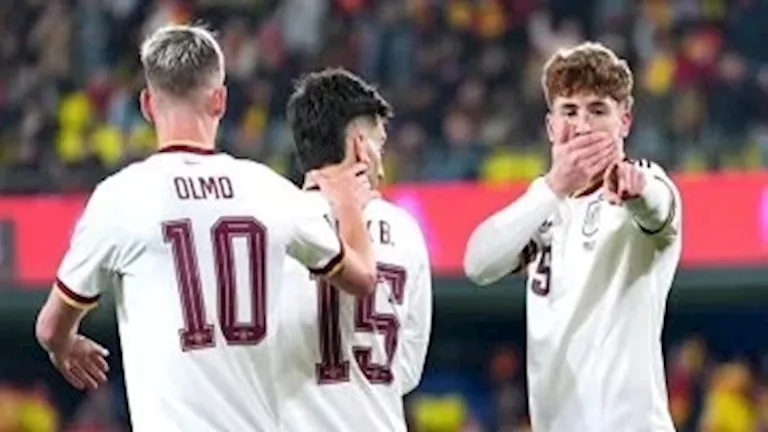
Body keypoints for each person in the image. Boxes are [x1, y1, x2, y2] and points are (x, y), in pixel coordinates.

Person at [34, 25, 377, 432]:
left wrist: (65, 345)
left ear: (147, 105)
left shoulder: (120, 197)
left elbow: (50, 327)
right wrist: (349, 206)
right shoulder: (270, 189)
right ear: (220, 100)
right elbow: (361, 278)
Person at [463, 42, 681, 431]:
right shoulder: (544, 205)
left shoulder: (642, 183)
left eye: (598, 110)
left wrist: (636, 191)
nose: (582, 126)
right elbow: (478, 264)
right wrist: (554, 187)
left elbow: (657, 205)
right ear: (551, 126)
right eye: (569, 111)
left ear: (624, 122)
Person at [276, 68, 433, 432]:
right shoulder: (404, 230)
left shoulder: (273, 223)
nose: (383, 165)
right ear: (360, 146)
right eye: (380, 144)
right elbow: (407, 369)